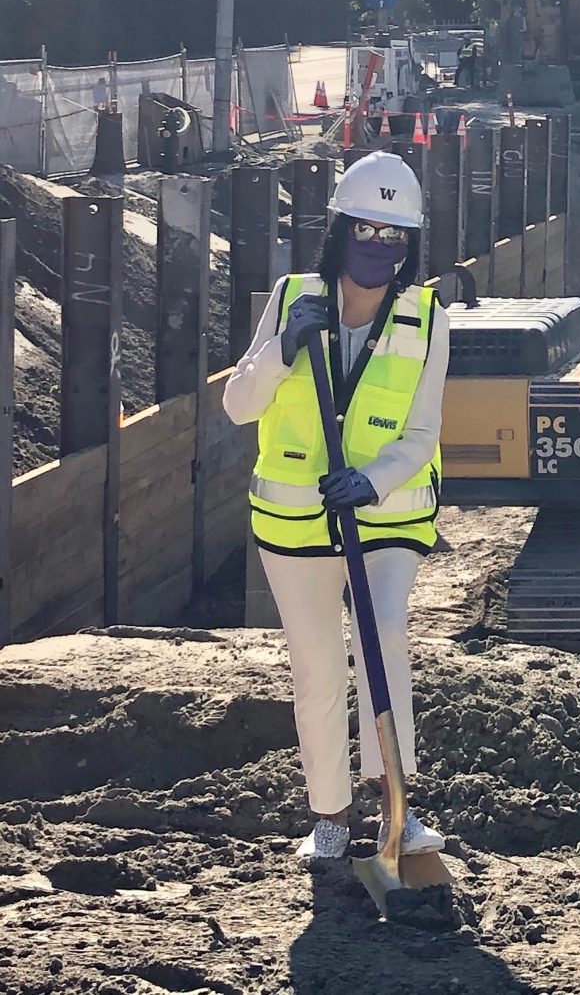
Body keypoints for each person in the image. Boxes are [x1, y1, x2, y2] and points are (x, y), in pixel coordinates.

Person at [223, 151, 449, 861]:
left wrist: (372, 480)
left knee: (383, 631)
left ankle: (397, 807)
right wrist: (285, 350)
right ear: (340, 229)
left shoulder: (426, 317)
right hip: (291, 525)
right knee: (318, 665)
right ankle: (329, 816)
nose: (378, 247)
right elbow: (237, 405)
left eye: (394, 237)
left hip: (385, 518)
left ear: (408, 246)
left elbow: (422, 433)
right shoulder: (292, 300)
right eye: (366, 230)